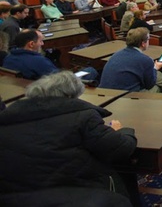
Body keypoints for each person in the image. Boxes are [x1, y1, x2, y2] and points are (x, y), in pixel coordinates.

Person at [0, 71, 137, 203]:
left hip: (16, 197)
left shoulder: (9, 116)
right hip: (75, 195)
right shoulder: (83, 117)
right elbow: (120, 149)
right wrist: (123, 132)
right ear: (70, 97)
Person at [3, 29, 99, 81]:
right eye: (40, 41)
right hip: (52, 89)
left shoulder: (9, 57)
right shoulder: (38, 61)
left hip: (29, 89)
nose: (42, 44)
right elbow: (60, 81)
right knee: (90, 70)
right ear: (31, 44)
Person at [99, 27, 162, 92]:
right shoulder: (146, 60)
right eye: (148, 39)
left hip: (104, 94)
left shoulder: (116, 54)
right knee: (157, 86)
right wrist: (155, 68)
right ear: (143, 43)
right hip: (125, 98)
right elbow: (150, 85)